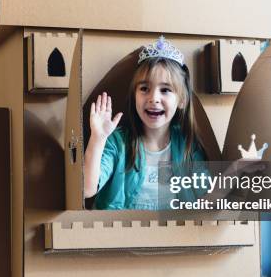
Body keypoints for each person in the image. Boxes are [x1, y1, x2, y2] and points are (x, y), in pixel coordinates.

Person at [83, 36, 207, 210]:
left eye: (165, 90)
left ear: (182, 100)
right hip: (122, 236)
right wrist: (98, 138)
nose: (154, 98)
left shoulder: (187, 145)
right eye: (144, 89)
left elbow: (209, 196)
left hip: (174, 235)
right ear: (135, 96)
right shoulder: (118, 143)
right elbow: (86, 189)